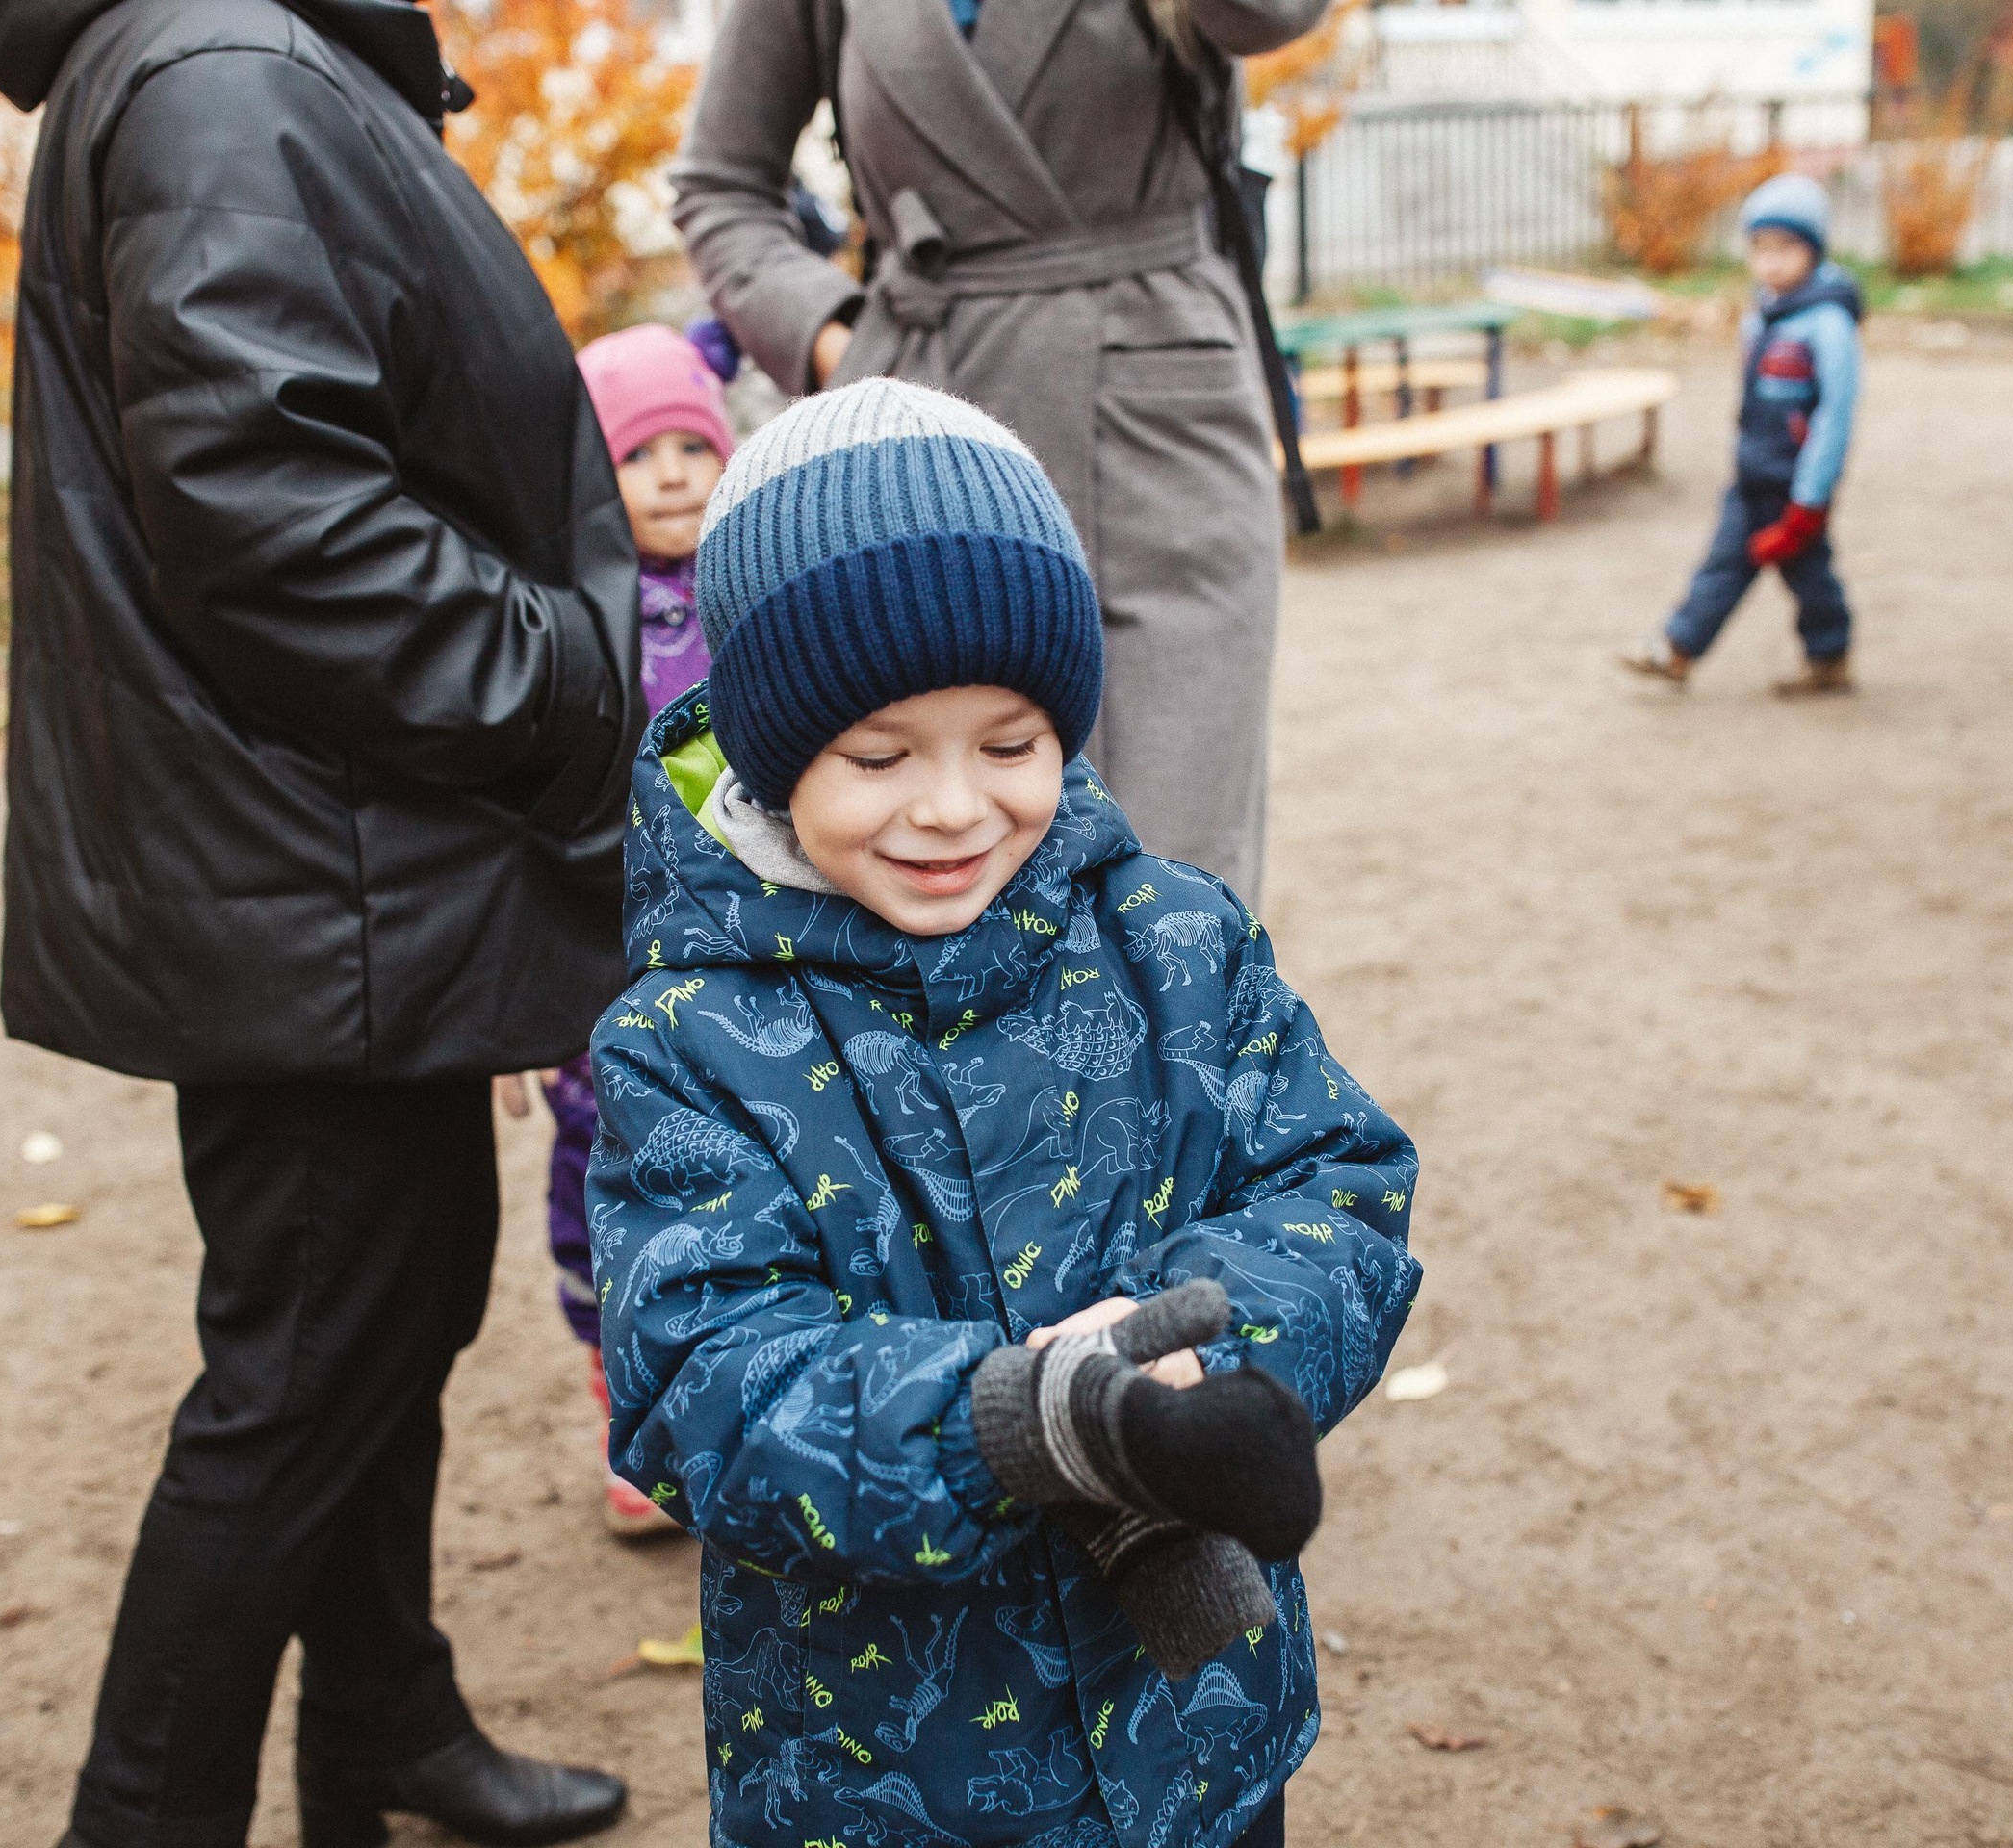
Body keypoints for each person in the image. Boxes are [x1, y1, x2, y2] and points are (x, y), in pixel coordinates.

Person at [0, 0, 645, 1841]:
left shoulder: (241, 54)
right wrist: (580, 685)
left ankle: (383, 1727)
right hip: (320, 865)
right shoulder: (222, 69)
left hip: (327, 858)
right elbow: (271, 515)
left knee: (373, 1324)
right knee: (312, 1363)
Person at [588, 380, 1423, 1848]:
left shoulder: (1175, 941)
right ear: (782, 751)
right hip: (889, 1780)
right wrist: (1030, 1425)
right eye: (879, 755)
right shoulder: (689, 1036)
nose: (955, 806)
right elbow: (703, 1382)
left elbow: (1335, 1177)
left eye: (1013, 739)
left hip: (1197, 1740)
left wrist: (1193, 1389)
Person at [670, 0, 1330, 907]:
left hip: (1160, 434)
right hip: (930, 454)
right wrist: (844, 343)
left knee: (1176, 894)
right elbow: (720, 182)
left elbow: (1272, 16)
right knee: (934, 859)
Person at [503, 321, 733, 1540]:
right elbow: (523, 817)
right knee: (606, 1198)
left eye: (699, 443)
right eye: (646, 453)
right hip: (608, 979)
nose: (680, 472)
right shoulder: (568, 626)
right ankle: (629, 1416)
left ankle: (750, 1410)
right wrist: (518, 994)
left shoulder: (765, 592)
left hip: (750, 970)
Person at [1625, 173, 1864, 696]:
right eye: (1761, 248)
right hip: (1752, 472)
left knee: (1808, 573)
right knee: (1725, 560)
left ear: (1814, 250)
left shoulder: (1828, 324)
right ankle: (1678, 647)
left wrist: (1809, 499)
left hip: (1796, 484)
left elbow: (1835, 417)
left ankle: (1830, 654)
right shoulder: (1762, 316)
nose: (1772, 262)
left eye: (1786, 248)